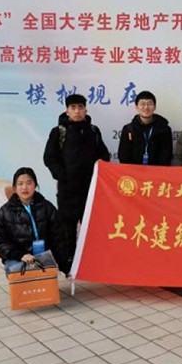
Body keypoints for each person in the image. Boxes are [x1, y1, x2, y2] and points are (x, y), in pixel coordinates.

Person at [43, 94, 111, 263]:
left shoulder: (93, 131)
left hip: (90, 189)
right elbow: (49, 157)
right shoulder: (59, 132)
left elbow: (104, 153)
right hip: (68, 190)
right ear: (67, 111)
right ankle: (69, 262)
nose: (77, 111)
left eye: (80, 107)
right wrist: (62, 175)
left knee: (91, 225)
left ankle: (90, 260)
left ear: (85, 110)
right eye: (73, 107)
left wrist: (101, 162)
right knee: (67, 228)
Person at [0, 167, 71, 275]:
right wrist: (19, 255)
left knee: (45, 280)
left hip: (43, 255)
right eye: (20, 184)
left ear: (35, 185)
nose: (24, 187)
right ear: (14, 188)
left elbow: (59, 238)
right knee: (18, 273)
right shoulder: (5, 212)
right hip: (18, 258)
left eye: (29, 183)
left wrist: (64, 265)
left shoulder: (47, 207)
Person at [118, 90, 173, 166]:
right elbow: (123, 156)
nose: (146, 107)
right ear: (136, 107)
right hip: (133, 171)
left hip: (157, 171)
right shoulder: (128, 129)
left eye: (149, 104)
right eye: (142, 104)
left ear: (154, 107)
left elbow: (166, 156)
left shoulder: (164, 129)